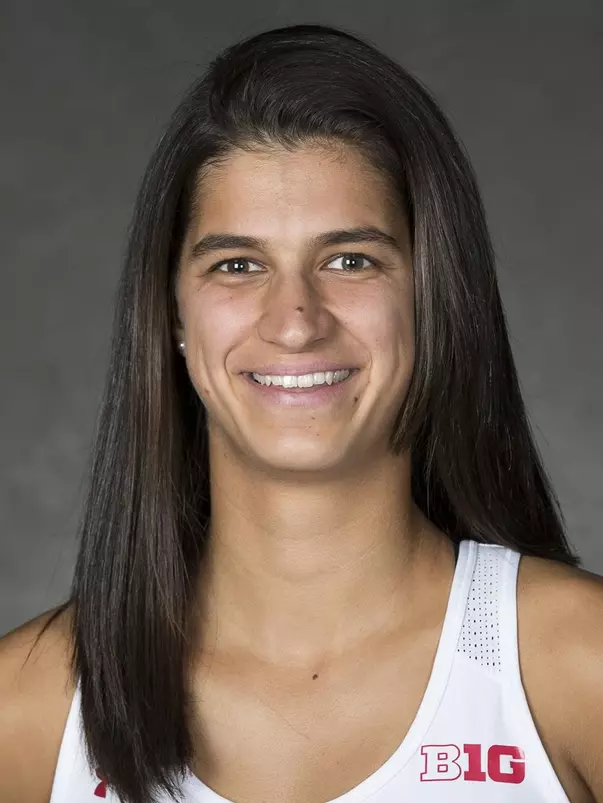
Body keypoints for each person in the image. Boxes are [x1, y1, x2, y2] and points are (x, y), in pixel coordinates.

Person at [0, 21, 601, 803]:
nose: (294, 318)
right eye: (237, 264)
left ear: (430, 297)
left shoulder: (575, 669)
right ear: (173, 315)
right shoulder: (28, 710)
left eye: (350, 260)